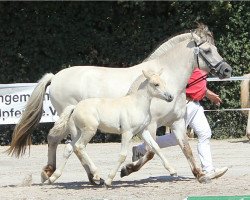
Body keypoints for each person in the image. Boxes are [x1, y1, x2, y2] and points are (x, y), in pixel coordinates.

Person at [132, 68, 228, 179]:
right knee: (176, 138)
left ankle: (208, 169)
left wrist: (208, 94)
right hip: (185, 104)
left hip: (195, 105)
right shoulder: (190, 66)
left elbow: (198, 85)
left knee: (205, 133)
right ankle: (141, 149)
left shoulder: (201, 68)